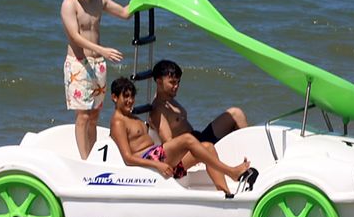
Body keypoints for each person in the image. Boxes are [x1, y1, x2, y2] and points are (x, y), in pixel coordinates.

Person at [107, 77, 253, 197]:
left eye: (132, 96)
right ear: (114, 97)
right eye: (125, 97)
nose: (130, 101)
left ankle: (225, 194)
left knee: (207, 146)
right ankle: (231, 172)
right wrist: (157, 165)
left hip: (160, 157)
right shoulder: (118, 122)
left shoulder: (132, 117)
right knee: (187, 139)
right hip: (151, 161)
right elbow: (128, 158)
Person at [61, 0, 138, 160]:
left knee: (94, 116)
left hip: (98, 65)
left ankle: (92, 158)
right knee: (82, 116)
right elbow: (75, 36)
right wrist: (102, 50)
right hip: (78, 64)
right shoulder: (69, 4)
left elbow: (125, 12)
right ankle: (84, 160)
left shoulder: (99, 0)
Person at [147, 59, 251, 153]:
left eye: (178, 82)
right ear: (159, 82)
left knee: (236, 114)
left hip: (199, 138)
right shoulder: (158, 110)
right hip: (191, 149)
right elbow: (168, 144)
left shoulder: (168, 99)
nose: (176, 86)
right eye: (172, 82)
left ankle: (250, 150)